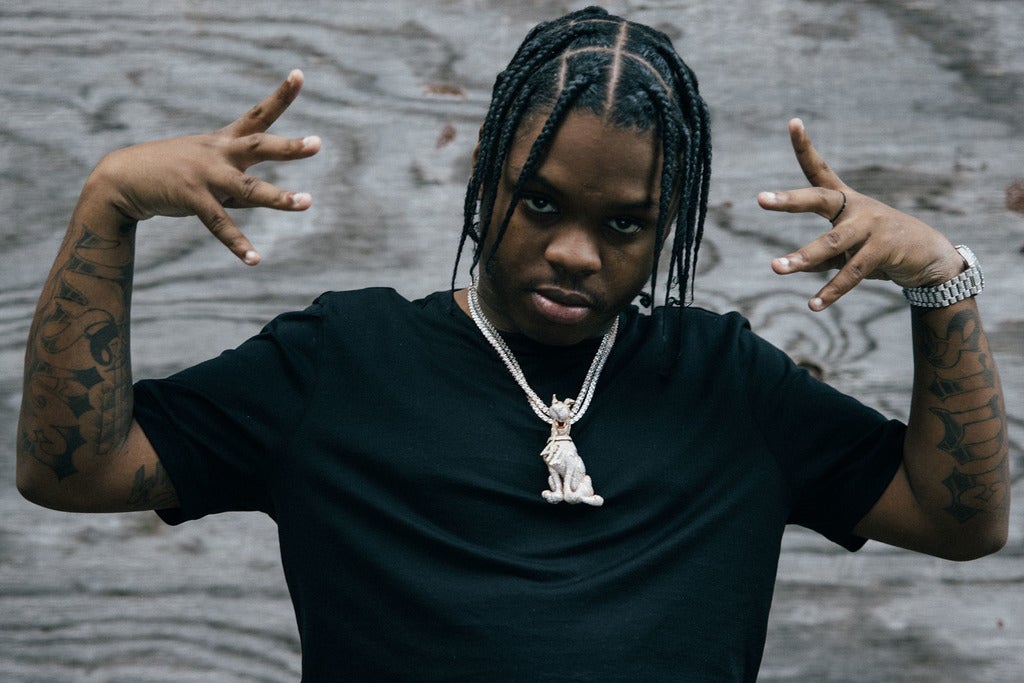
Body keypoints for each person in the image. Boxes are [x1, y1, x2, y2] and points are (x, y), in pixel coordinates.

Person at [16, 6, 1008, 680]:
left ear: (666, 228)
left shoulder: (726, 382)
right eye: (538, 203)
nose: (574, 251)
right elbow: (76, 469)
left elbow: (955, 519)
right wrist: (109, 203)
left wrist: (941, 282)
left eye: (623, 224)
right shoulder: (342, 360)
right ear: (482, 181)